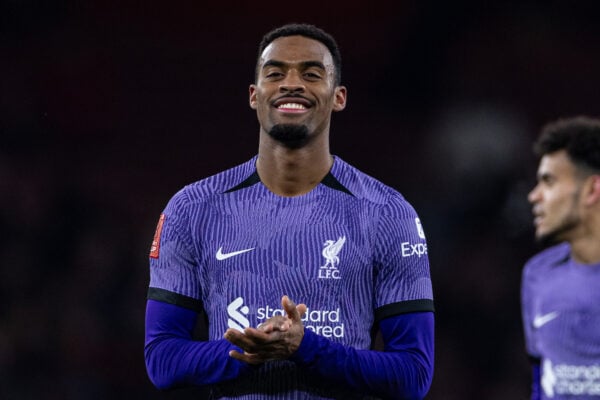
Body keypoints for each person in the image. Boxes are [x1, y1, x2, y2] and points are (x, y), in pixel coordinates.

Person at [144, 23, 435, 400]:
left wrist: (306, 348)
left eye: (312, 74)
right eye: (275, 73)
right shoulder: (192, 210)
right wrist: (250, 350)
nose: (291, 84)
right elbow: (161, 361)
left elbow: (414, 373)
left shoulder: (389, 214)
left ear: (338, 97)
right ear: (254, 95)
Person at [521, 116, 600, 399]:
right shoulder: (538, 274)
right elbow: (540, 383)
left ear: (592, 189)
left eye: (549, 182)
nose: (534, 196)